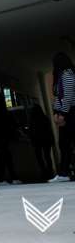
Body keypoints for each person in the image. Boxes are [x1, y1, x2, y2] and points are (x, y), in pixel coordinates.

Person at [49, 52, 75, 183]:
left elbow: (69, 96)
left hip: (72, 112)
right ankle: (63, 173)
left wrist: (62, 114)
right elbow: (58, 97)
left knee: (70, 141)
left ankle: (64, 172)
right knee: (63, 144)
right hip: (65, 112)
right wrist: (56, 113)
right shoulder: (58, 77)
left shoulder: (68, 74)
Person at [28, 104, 54, 181]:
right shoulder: (44, 119)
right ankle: (50, 173)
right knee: (47, 157)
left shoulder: (32, 120)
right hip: (46, 140)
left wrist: (32, 140)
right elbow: (49, 130)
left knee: (39, 158)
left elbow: (31, 132)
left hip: (37, 141)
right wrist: (51, 140)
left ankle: (44, 172)